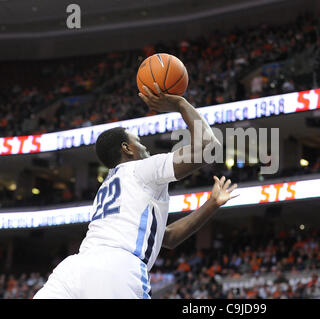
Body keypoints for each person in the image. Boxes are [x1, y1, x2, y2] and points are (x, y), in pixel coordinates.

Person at [33, 83, 238, 299]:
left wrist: (211, 204)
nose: (146, 148)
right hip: (116, 269)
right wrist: (180, 103)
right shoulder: (141, 169)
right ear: (127, 148)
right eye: (138, 142)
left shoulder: (107, 186)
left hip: (73, 269)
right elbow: (208, 148)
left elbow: (167, 238)